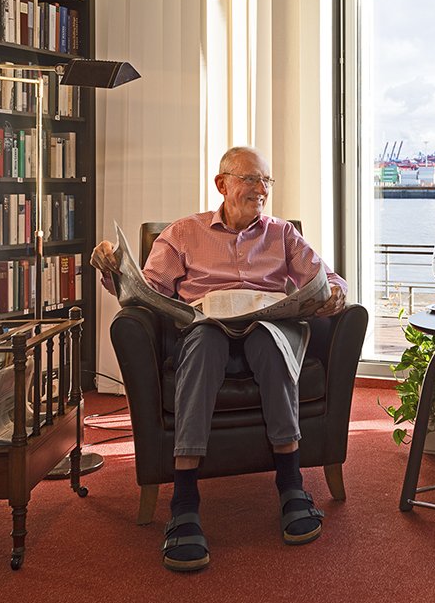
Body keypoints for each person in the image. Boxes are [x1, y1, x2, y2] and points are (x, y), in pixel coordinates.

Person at [90, 146, 347, 572]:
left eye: (266, 180)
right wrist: (112, 268)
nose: (260, 189)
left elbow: (326, 276)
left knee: (269, 341)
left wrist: (335, 292)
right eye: (250, 179)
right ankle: (185, 501)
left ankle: (291, 484)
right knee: (205, 339)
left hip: (264, 328)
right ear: (222, 184)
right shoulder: (184, 233)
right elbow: (145, 289)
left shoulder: (282, 234)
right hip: (205, 331)